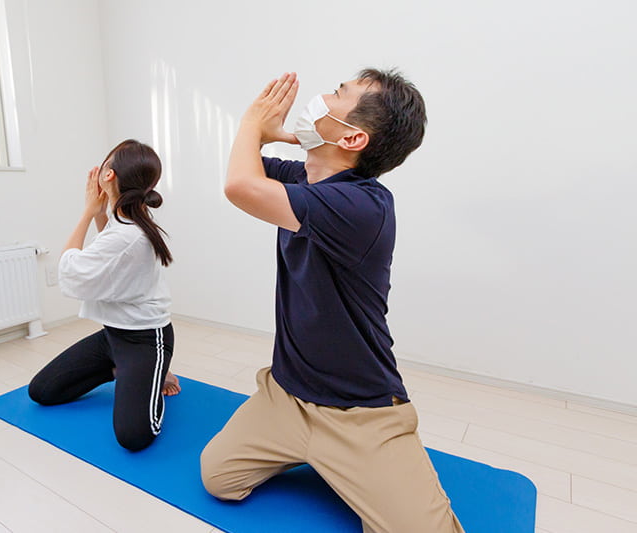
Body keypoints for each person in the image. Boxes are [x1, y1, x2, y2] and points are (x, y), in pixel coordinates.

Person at [200, 70, 464, 532]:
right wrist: (267, 134)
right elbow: (245, 167)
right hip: (286, 394)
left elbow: (239, 187)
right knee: (218, 477)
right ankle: (312, 455)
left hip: (360, 413)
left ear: (354, 136)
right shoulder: (303, 179)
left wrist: (252, 121)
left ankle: (347, 461)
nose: (321, 96)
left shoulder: (365, 206)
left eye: (338, 94)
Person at [28, 139, 180, 452]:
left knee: (134, 436)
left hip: (146, 339)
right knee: (42, 391)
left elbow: (69, 270)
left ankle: (152, 372)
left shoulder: (129, 232)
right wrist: (99, 211)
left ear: (108, 175)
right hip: (113, 337)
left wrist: (86, 212)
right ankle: (120, 371)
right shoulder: (128, 219)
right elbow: (107, 243)